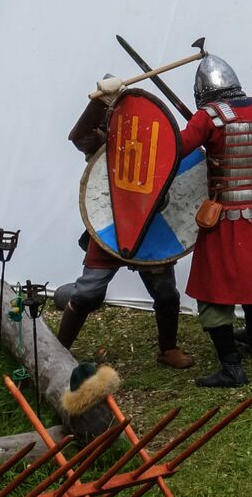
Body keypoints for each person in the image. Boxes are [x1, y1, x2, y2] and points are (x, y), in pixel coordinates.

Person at [54, 77, 193, 370]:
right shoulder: (101, 142)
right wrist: (98, 101)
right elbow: (78, 136)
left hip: (152, 228)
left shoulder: (156, 143)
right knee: (87, 292)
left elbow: (182, 158)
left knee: (166, 293)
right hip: (111, 228)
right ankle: (58, 350)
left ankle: (168, 349)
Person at [181, 53, 252, 388]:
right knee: (244, 272)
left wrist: (198, 133)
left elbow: (178, 148)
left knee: (212, 284)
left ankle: (231, 367)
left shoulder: (208, 117)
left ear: (203, 91)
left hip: (226, 215)